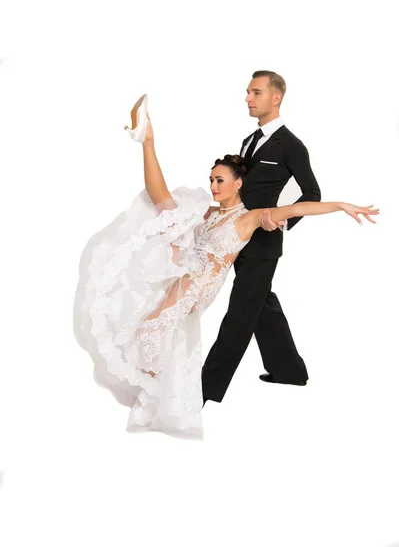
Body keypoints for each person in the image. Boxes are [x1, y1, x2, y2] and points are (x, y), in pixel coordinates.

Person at [73, 94, 379, 439]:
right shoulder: (208, 212)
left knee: (155, 330)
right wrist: (150, 144)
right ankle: (147, 139)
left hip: (199, 287)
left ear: (238, 183)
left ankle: (167, 396)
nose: (213, 186)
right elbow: (161, 196)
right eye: (212, 179)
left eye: (220, 180)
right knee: (163, 239)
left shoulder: (248, 219)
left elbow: (298, 208)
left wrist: (340, 205)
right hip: (183, 278)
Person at [202, 70, 321, 404]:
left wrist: (280, 223)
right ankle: (289, 371)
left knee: (240, 313)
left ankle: (204, 391)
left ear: (276, 97)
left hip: (263, 245)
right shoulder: (249, 140)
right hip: (235, 237)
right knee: (261, 305)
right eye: (248, 92)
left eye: (255, 92)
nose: (248, 98)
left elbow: (311, 192)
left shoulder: (292, 145)